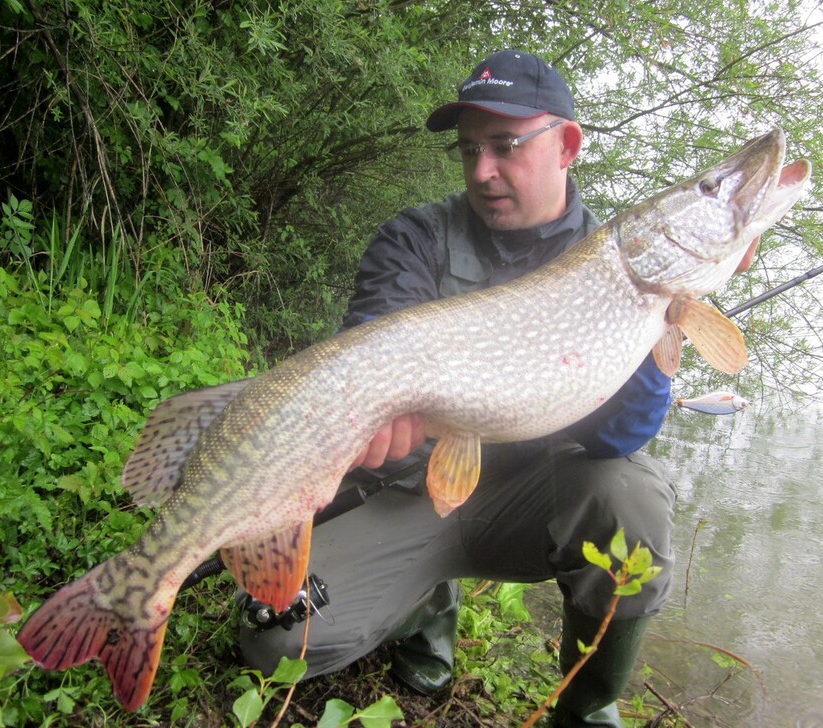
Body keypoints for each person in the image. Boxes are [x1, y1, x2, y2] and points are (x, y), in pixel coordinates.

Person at [239, 49, 754, 727]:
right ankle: (427, 607)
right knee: (272, 639)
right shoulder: (415, 239)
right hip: (416, 492)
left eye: (506, 145)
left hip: (529, 501)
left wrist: (669, 324)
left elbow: (617, 437)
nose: (483, 170)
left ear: (566, 144)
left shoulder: (614, 262)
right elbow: (370, 352)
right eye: (470, 149)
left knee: (629, 502)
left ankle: (586, 707)